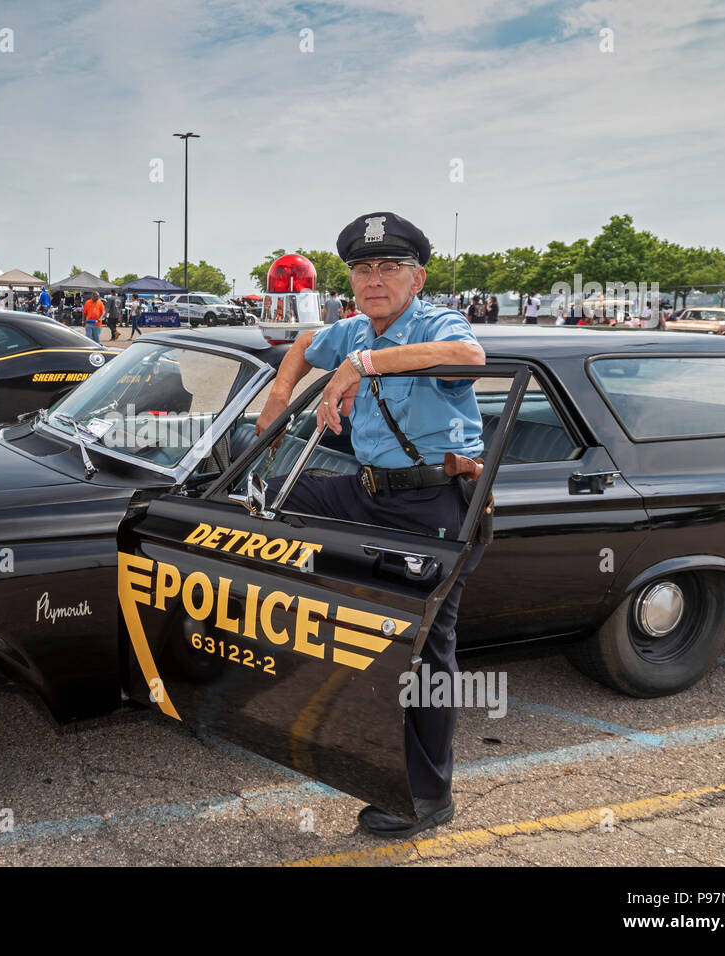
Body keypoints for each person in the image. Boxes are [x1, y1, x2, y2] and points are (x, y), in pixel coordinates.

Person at [253, 211, 488, 839]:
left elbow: (470, 356)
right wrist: (280, 397)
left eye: (389, 267)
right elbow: (303, 344)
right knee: (258, 500)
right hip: (367, 494)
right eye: (363, 268)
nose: (374, 279)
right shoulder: (353, 326)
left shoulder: (437, 323)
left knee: (428, 649)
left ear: (418, 278)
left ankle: (428, 797)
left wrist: (365, 366)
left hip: (432, 503)